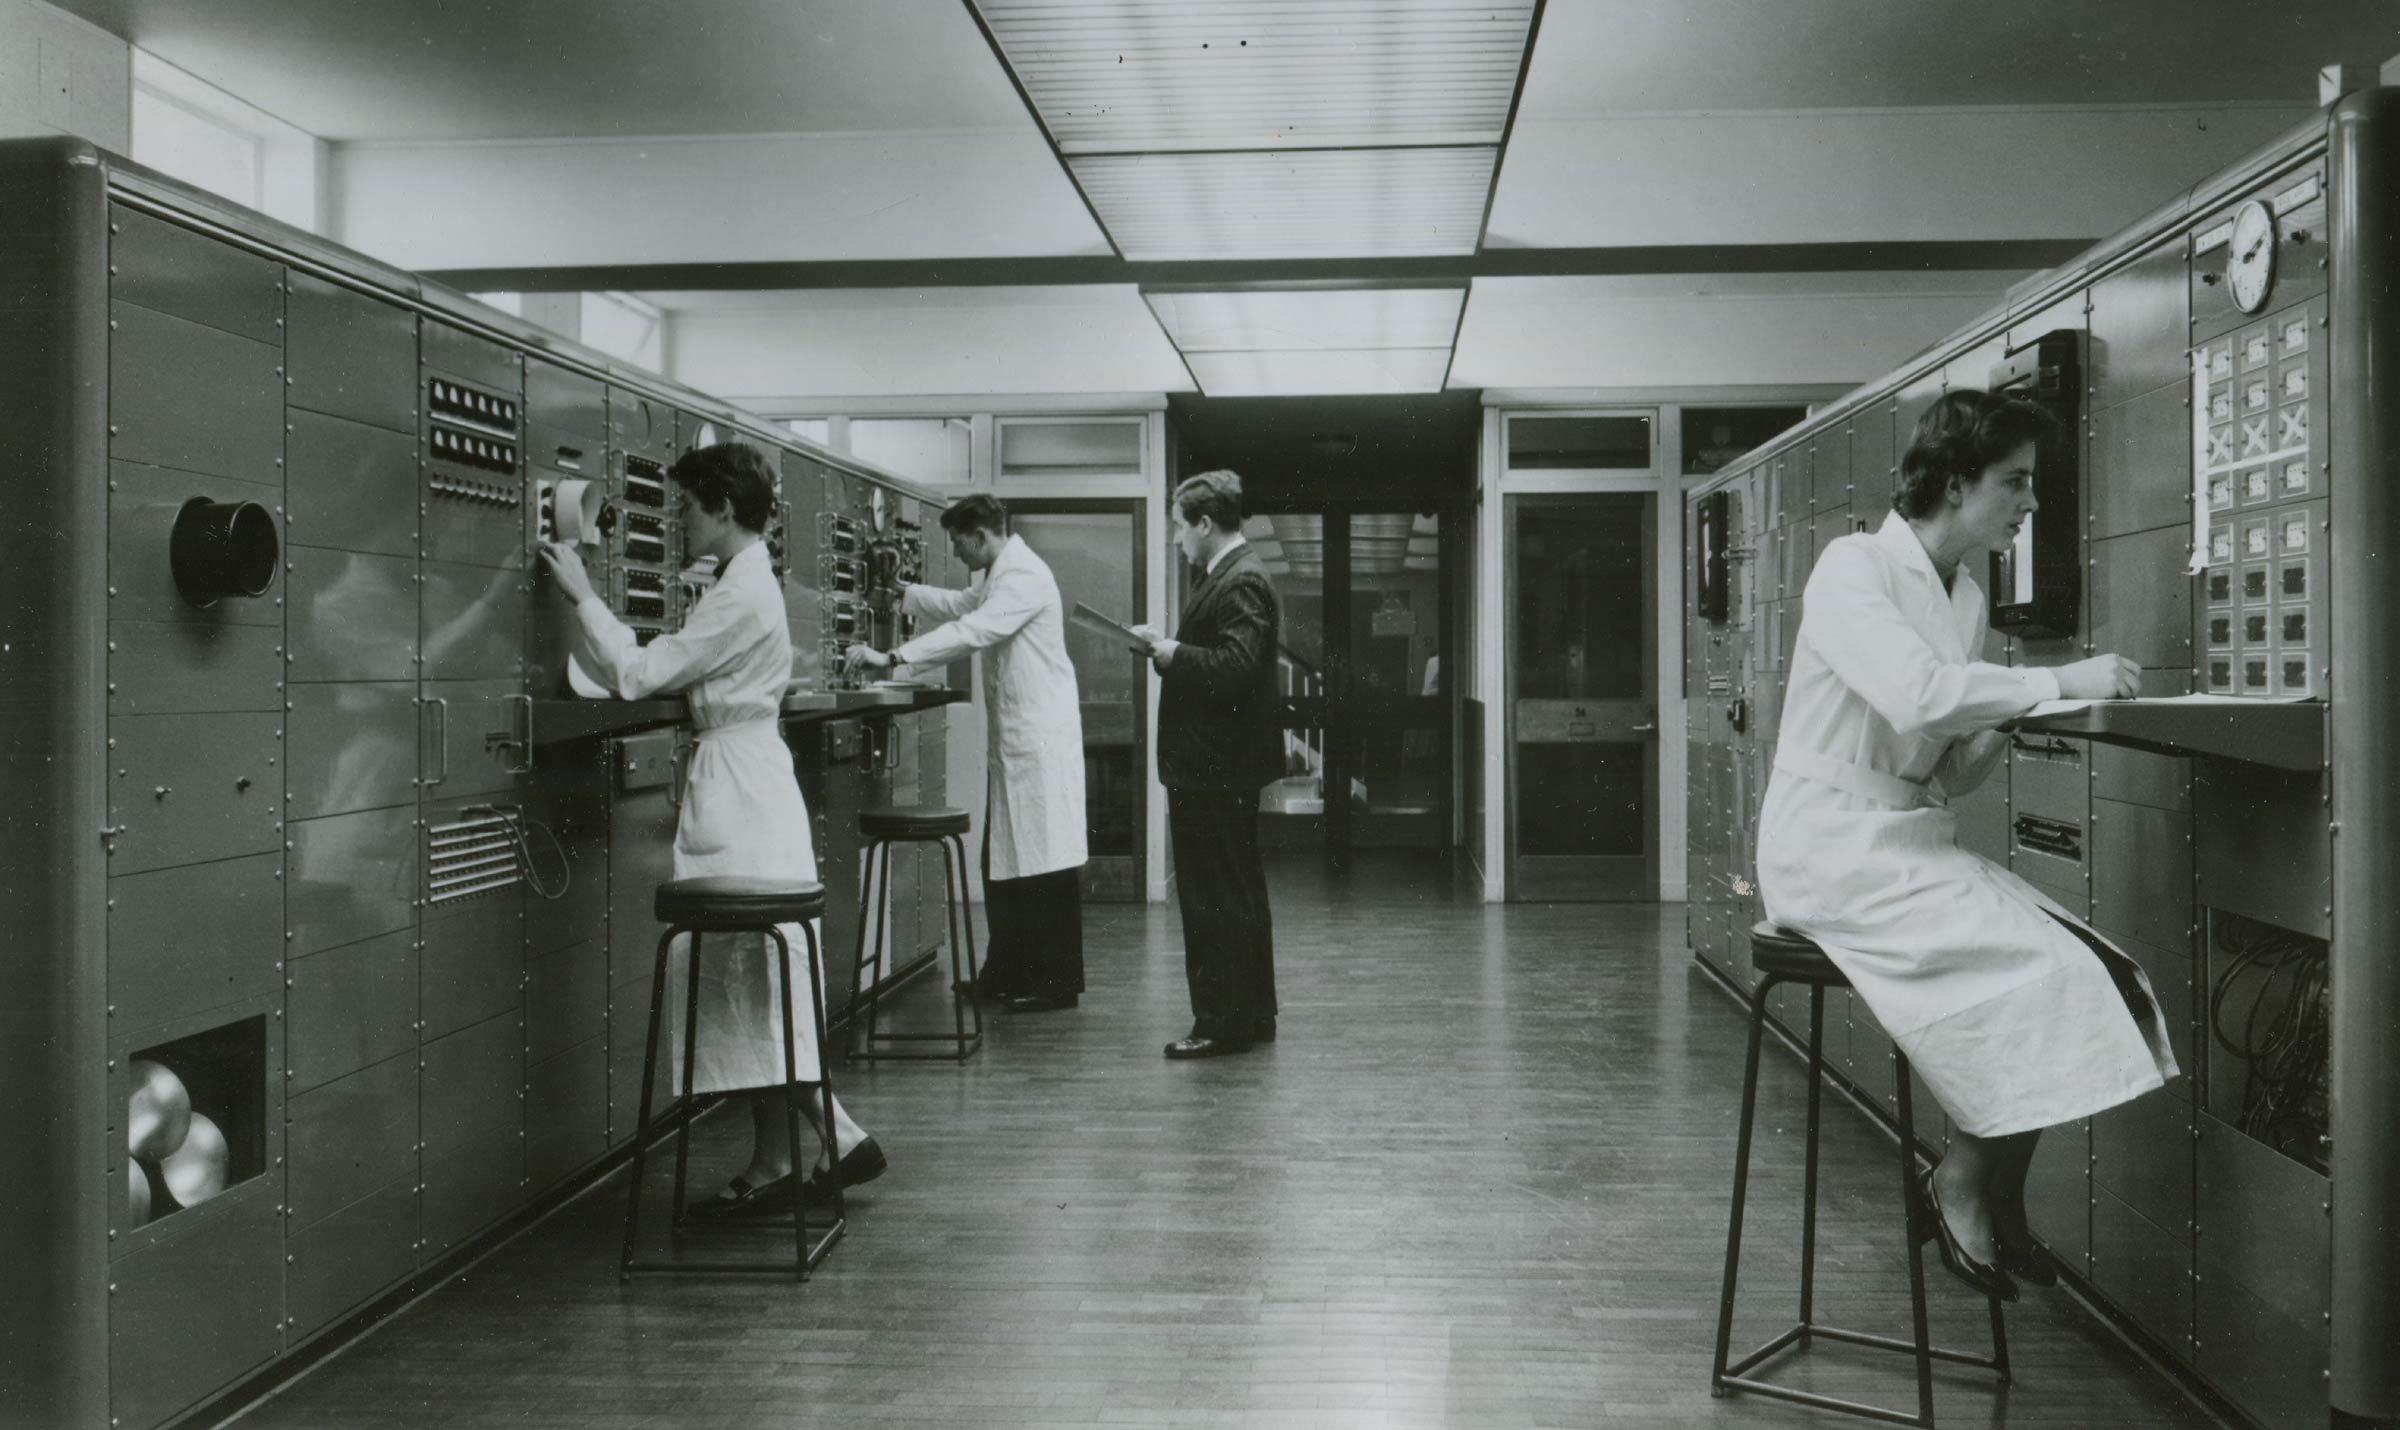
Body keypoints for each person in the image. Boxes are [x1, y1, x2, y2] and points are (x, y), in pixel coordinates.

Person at [1756, 390, 2177, 1301]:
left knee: (2096, 970)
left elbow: (1950, 768)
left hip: (1907, 837)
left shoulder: (1968, 596)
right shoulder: (1853, 566)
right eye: (2014, 482)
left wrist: (2018, 714)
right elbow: (1919, 696)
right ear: (1954, 482)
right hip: (1832, 849)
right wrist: (2052, 679)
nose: (2032, 502)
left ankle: (1995, 1192)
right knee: (2050, 973)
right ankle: (1960, 1184)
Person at [536, 441, 884, 1217]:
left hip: (739, 792)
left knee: (746, 980)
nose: (679, 521)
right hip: (750, 781)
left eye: (689, 507)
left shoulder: (741, 593)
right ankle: (776, 1159)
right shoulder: (745, 579)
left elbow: (640, 674)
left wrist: (582, 595)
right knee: (750, 985)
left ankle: (841, 1135)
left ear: (723, 509)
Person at [845, 494, 1088, 1012]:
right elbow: (960, 605)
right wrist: (902, 592)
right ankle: (1006, 972)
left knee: (1042, 866)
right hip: (1020, 746)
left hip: (1038, 745)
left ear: (981, 536)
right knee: (1003, 863)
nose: (955, 552)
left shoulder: (1023, 576)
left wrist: (893, 657)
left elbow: (972, 630)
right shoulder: (1001, 573)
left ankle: (1054, 984)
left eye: (958, 542)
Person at [1132, 470, 1282, 1060]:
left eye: (1179, 527)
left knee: (1213, 897)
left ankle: (1221, 1021)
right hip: (1222, 764)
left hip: (1214, 766)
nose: (1177, 540)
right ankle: (1251, 1013)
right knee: (1236, 891)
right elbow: (1226, 657)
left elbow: (1235, 669)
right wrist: (1169, 648)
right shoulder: (1234, 574)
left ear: (1204, 522)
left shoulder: (1239, 579)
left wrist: (1173, 654)